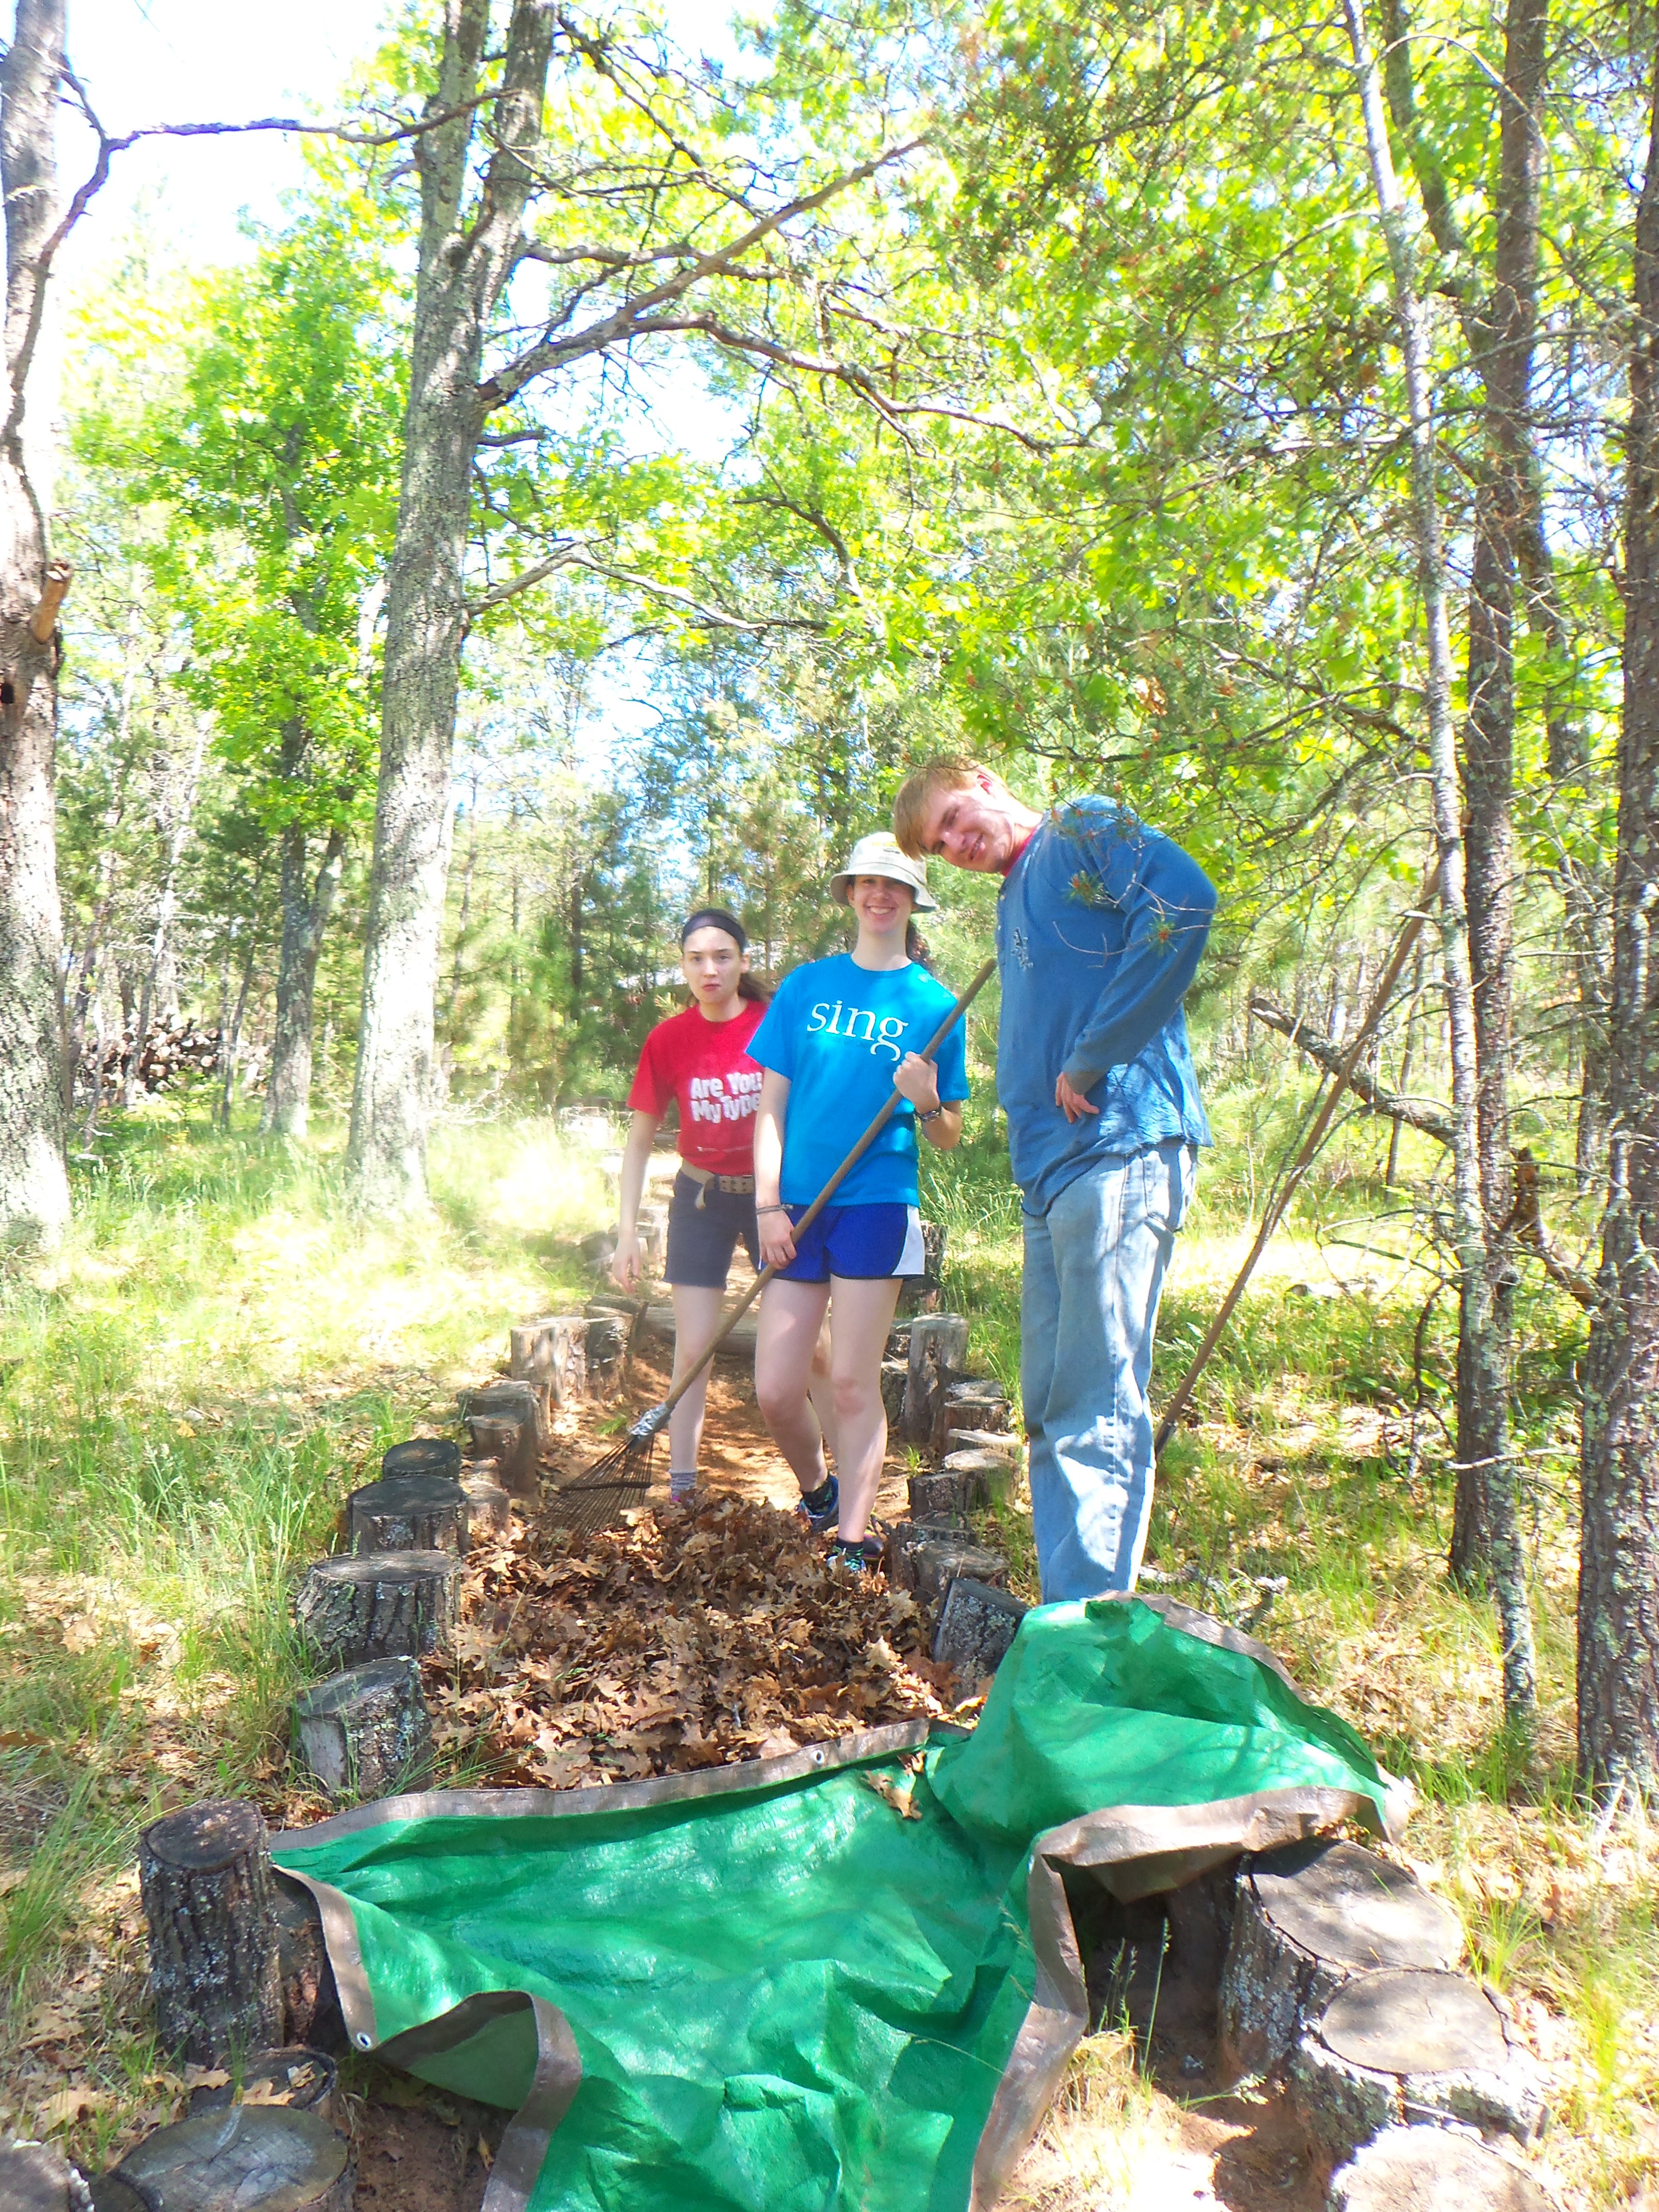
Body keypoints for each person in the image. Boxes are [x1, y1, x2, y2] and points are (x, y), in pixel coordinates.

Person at [892, 758, 1216, 1600]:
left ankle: (1090, 1636)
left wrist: (1093, 1054)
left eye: (953, 819)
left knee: (1092, 1401)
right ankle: (1070, 1616)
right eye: (940, 846)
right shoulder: (1017, 892)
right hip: (1051, 1175)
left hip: (1119, 1146)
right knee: (1046, 1404)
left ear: (983, 779)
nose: (956, 845)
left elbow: (1182, 902)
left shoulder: (1080, 825)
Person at [750, 834, 969, 1572]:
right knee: (776, 1387)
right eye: (869, 882)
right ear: (850, 892)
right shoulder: (806, 987)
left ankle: (852, 1539)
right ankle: (820, 1493)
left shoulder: (936, 1005)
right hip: (799, 1206)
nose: (881, 895)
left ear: (913, 901)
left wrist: (927, 1099)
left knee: (850, 1379)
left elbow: (947, 1135)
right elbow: (772, 1107)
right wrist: (767, 1205)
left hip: (877, 1203)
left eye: (896, 884)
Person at [613, 908, 833, 1504]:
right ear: (683, 966)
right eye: (696, 959)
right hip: (701, 1199)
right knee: (694, 1347)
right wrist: (627, 1230)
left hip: (776, 1200)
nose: (709, 970)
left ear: (743, 961)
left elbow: (816, 1107)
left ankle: (846, 1489)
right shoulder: (668, 1039)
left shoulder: (775, 1023)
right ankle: (682, 1490)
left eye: (722, 957)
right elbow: (639, 1141)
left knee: (815, 1348)